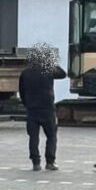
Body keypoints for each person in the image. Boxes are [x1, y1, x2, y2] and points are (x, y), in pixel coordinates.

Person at [18, 43, 67, 171]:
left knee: (33, 137)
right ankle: (50, 162)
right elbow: (63, 73)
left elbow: (21, 91)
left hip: (32, 109)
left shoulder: (25, 73)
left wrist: (26, 104)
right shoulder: (48, 69)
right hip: (47, 109)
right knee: (51, 135)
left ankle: (36, 162)